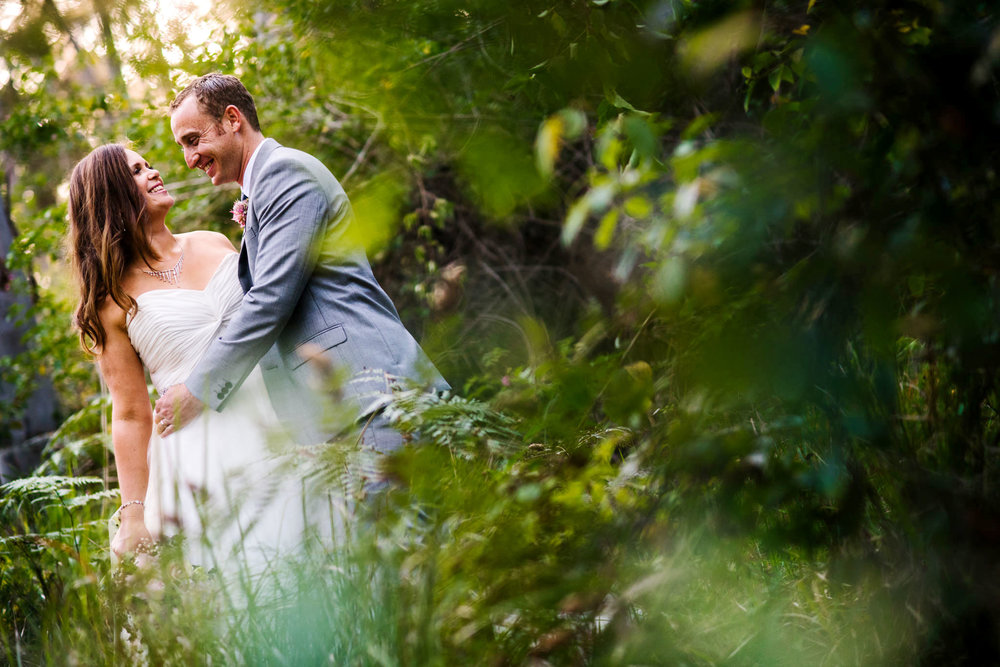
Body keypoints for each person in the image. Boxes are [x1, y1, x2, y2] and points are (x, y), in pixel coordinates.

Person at [154, 73, 448, 490]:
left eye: (192, 139)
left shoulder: (285, 173)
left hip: (372, 395)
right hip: (342, 409)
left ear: (232, 119)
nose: (189, 159)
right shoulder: (263, 190)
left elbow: (271, 299)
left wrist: (199, 389)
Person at [68, 144, 339, 570]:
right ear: (112, 197)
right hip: (201, 451)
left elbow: (272, 310)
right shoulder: (111, 301)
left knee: (326, 555)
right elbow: (131, 414)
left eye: (148, 164)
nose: (154, 172)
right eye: (137, 172)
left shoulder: (213, 242)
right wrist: (133, 513)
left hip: (281, 414)